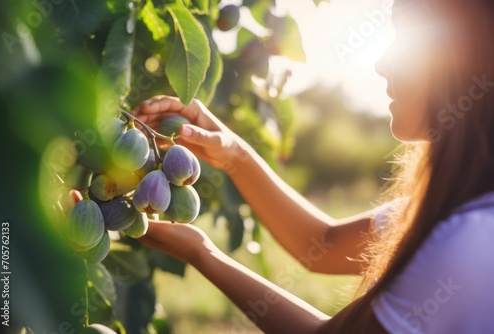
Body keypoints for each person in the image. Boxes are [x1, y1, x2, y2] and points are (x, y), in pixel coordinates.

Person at [131, 0, 494, 332]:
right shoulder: (458, 210)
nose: (382, 63)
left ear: (466, 56)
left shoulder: (472, 241)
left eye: (409, 38)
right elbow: (322, 243)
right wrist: (234, 153)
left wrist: (201, 252)